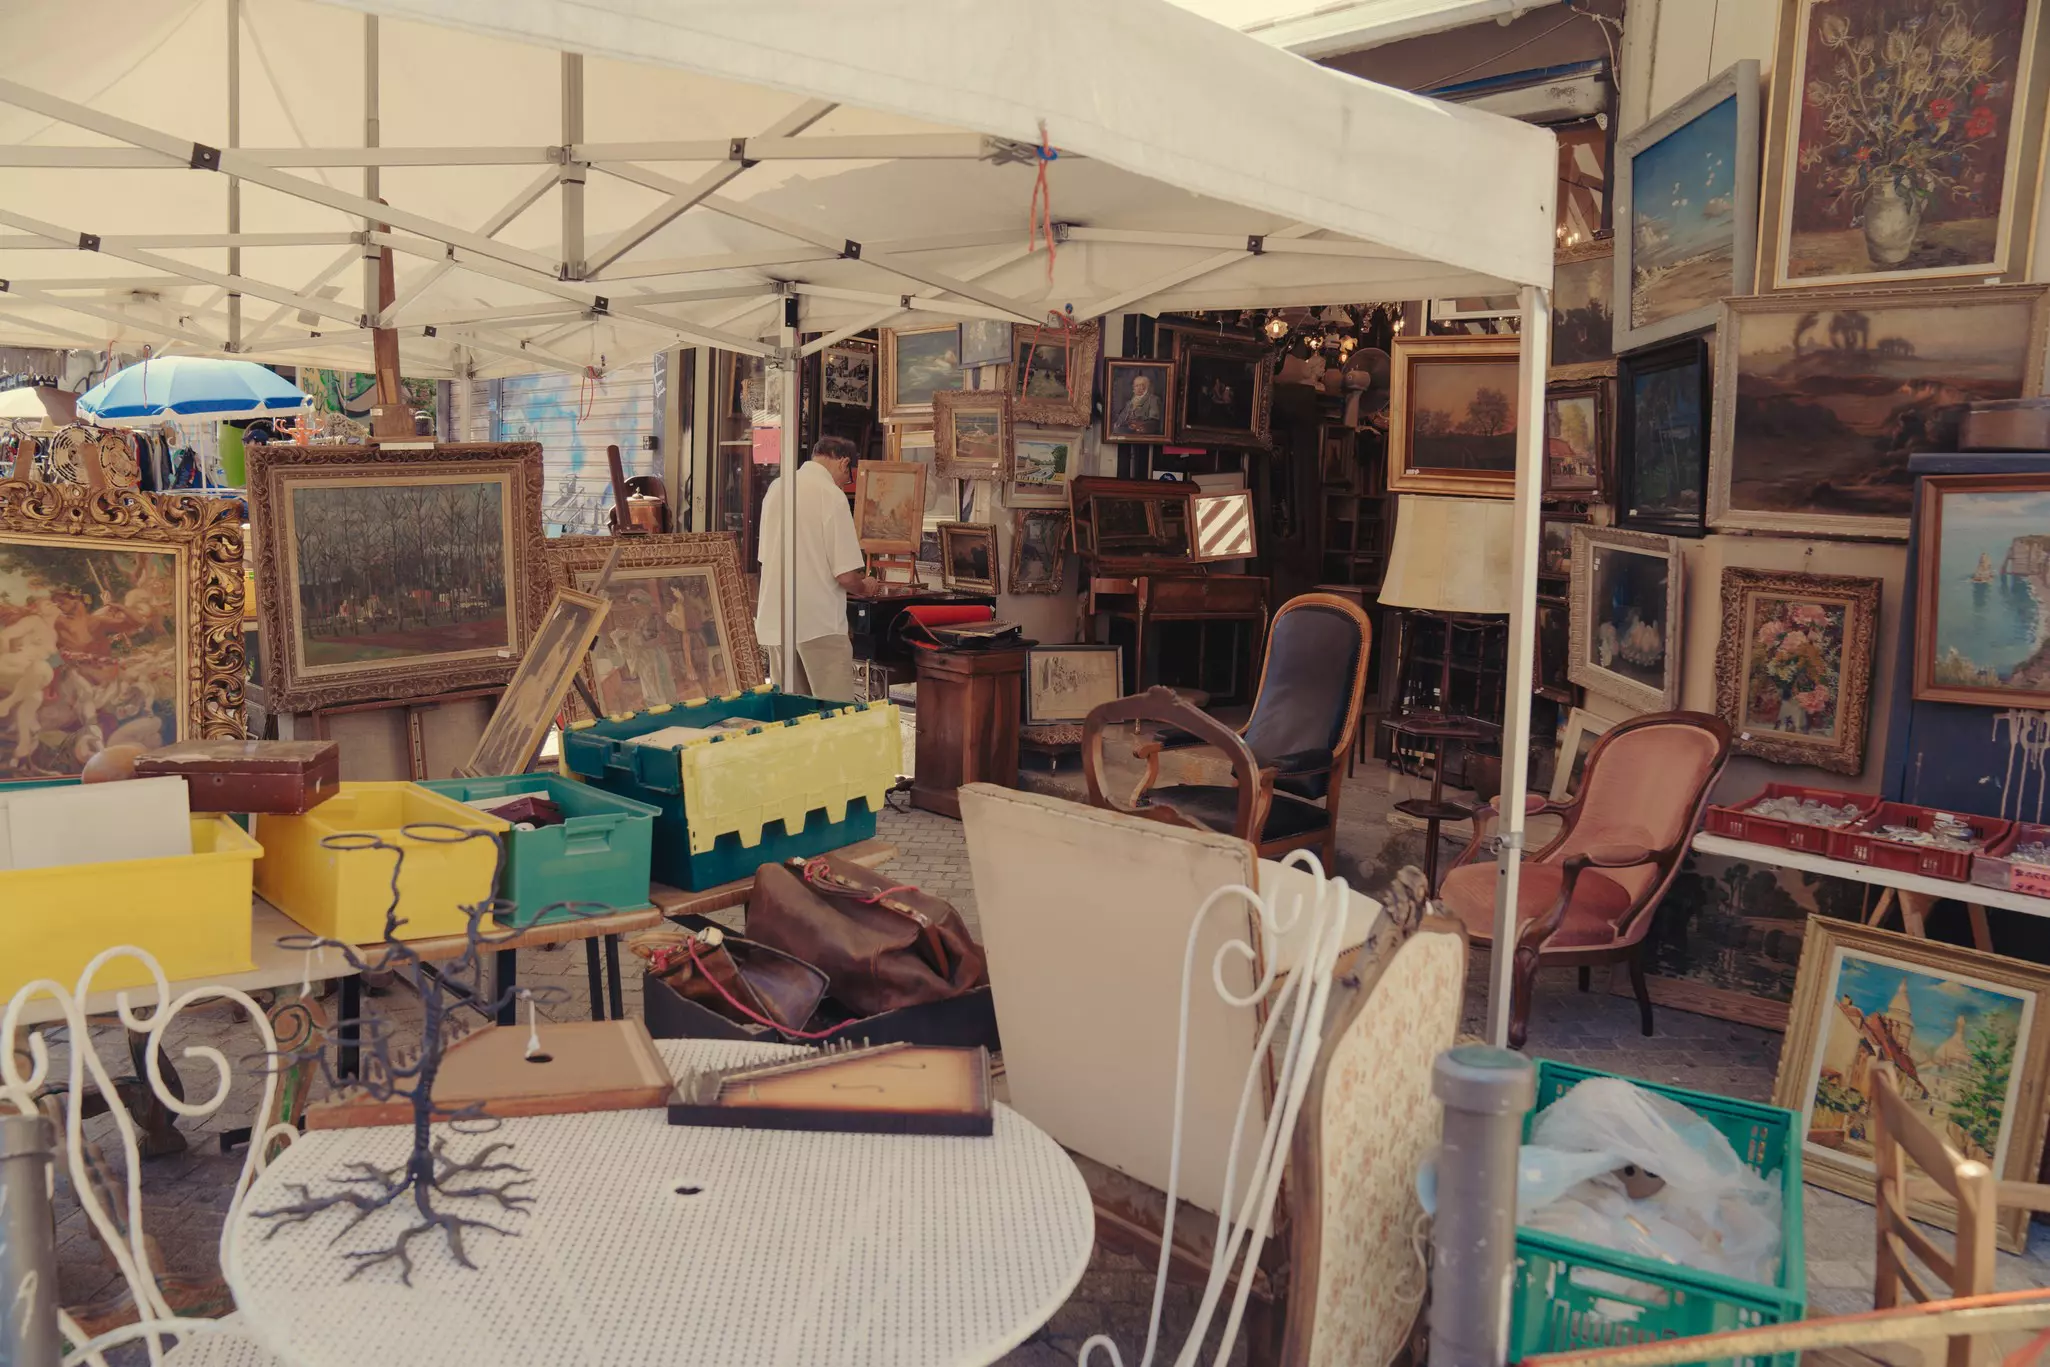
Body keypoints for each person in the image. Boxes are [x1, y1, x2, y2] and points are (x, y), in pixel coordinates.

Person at [755, 435, 877, 702]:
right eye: (848, 477)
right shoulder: (831, 495)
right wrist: (864, 586)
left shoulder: (777, 488)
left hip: (776, 621)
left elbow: (765, 557)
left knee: (792, 718)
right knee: (832, 717)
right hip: (818, 624)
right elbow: (845, 574)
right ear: (844, 463)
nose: (846, 484)